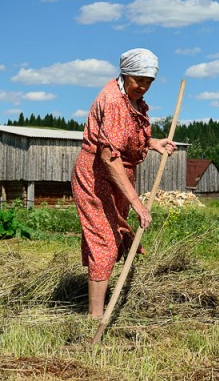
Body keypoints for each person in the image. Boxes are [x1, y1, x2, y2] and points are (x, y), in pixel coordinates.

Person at [71, 48, 177, 318]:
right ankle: (95, 316)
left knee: (114, 236)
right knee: (104, 241)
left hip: (116, 177)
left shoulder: (130, 98)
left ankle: (100, 302)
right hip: (97, 176)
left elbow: (126, 136)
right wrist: (137, 203)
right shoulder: (115, 102)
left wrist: (153, 143)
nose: (143, 86)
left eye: (148, 82)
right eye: (138, 79)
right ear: (125, 73)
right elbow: (109, 156)